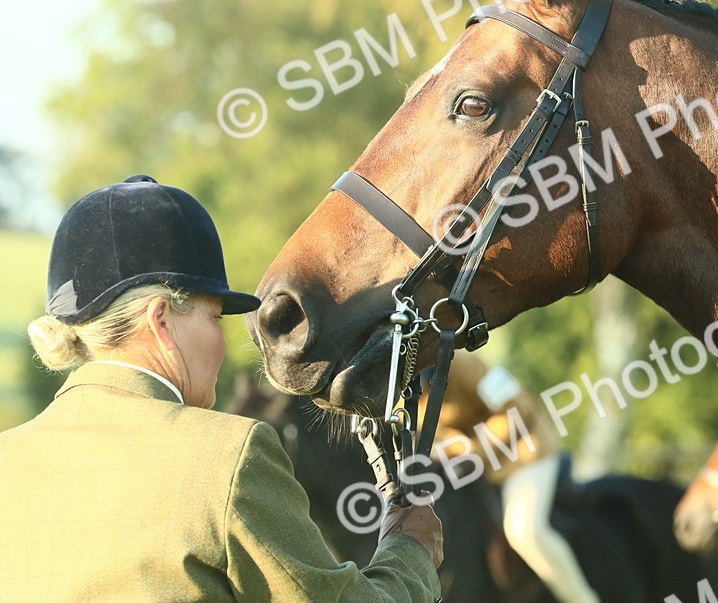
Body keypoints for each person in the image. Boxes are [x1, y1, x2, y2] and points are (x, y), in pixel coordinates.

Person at [0, 175, 443, 602]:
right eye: (214, 317)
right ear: (160, 322)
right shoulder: (229, 455)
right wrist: (410, 552)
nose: (221, 341)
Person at [428, 350, 600, 603]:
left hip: (526, 450)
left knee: (525, 532)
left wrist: (470, 450)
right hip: (480, 468)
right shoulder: (402, 394)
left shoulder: (462, 364)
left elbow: (518, 407)